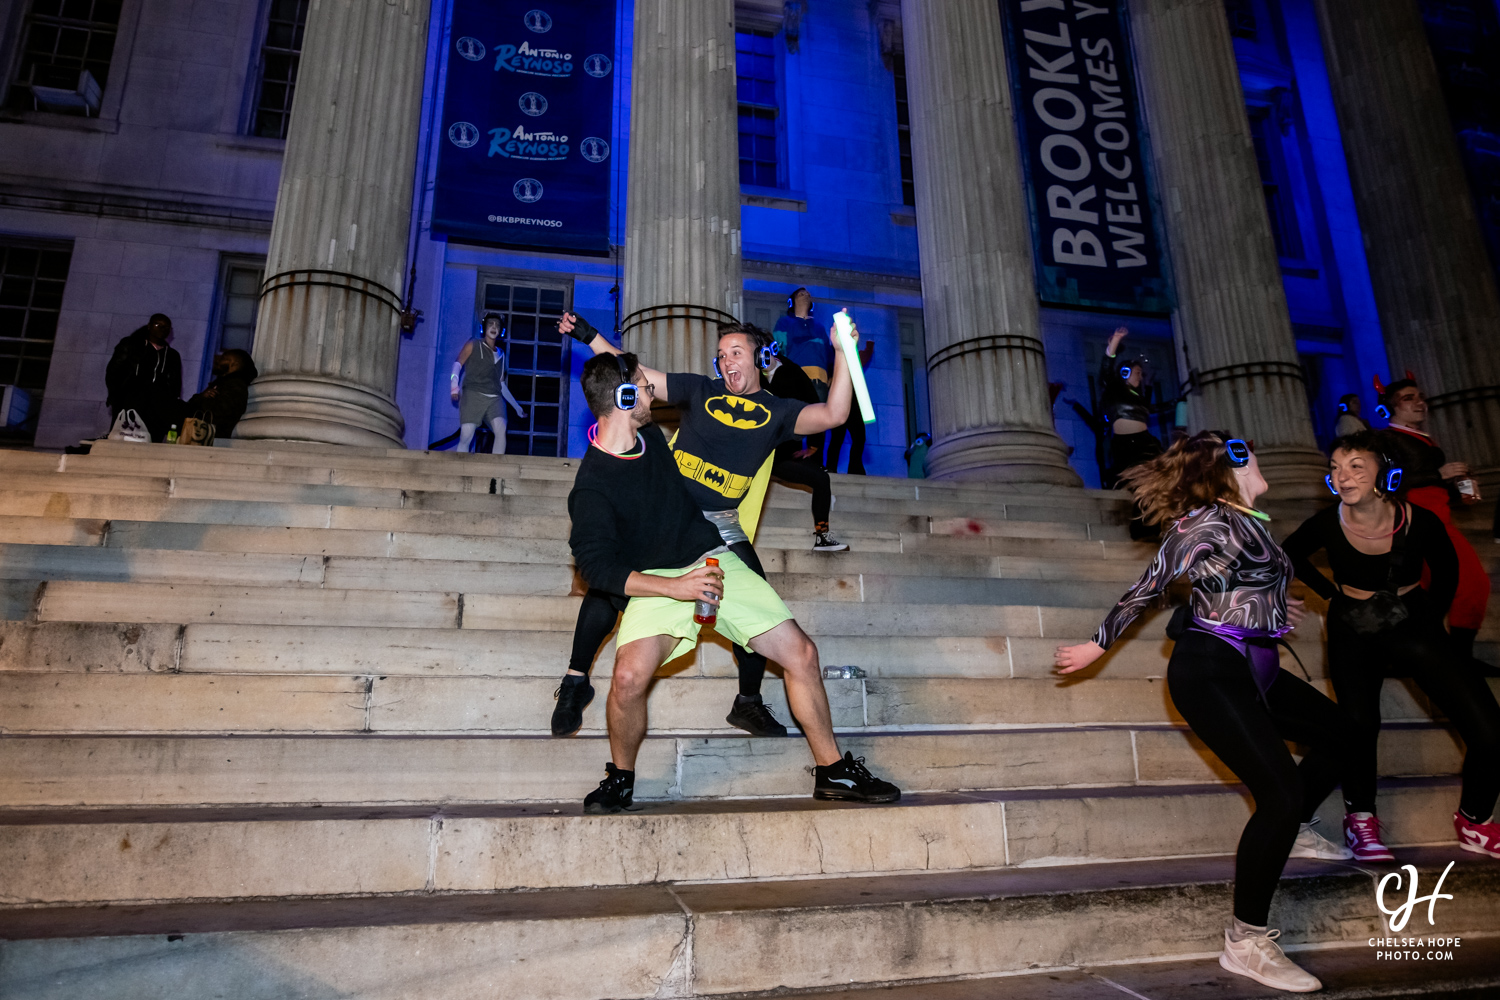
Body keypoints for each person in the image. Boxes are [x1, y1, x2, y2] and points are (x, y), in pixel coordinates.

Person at [1055, 432, 1363, 994]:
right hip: (1209, 671)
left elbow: (1236, 581)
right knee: (1279, 793)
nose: (1258, 456)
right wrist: (1096, 646)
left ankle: (1294, 826)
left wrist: (1275, 607)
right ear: (1228, 469)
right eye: (1246, 453)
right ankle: (1246, 942)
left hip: (1254, 665)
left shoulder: (1248, 520)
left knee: (1346, 733)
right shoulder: (1205, 522)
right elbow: (1149, 585)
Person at [567, 350, 900, 812]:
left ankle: (833, 772)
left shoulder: (652, 438)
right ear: (624, 398)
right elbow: (595, 569)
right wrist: (675, 588)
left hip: (712, 559)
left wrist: (840, 354)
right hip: (659, 582)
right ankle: (620, 778)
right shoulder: (592, 485)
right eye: (643, 388)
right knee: (626, 676)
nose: (651, 393)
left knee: (801, 653)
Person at [550, 311, 861, 738]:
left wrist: (843, 353)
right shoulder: (699, 390)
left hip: (720, 526)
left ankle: (748, 703)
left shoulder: (778, 411)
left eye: (736, 352)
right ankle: (575, 679)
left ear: (760, 359)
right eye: (721, 354)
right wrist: (588, 334)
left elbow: (835, 413)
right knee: (608, 585)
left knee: (757, 603)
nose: (727, 360)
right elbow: (632, 375)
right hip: (666, 510)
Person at [1283, 431, 1500, 861]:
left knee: (1491, 729)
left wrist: (1428, 617)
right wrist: (1328, 594)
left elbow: (1448, 572)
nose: (1342, 477)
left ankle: (1474, 820)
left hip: (1413, 622)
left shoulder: (1421, 521)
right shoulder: (1327, 522)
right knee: (1359, 727)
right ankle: (1360, 818)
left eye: (1355, 467)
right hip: (1352, 628)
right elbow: (1288, 554)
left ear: (1387, 473)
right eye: (1335, 468)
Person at [1376, 376, 1492, 674]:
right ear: (1390, 407)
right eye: (1409, 398)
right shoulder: (1386, 439)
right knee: (1469, 583)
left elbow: (1430, 483)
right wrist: (1439, 475)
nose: (1419, 402)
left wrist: (1459, 492)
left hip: (1437, 519)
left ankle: (1450, 656)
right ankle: (1454, 658)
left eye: (1421, 396)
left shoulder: (1423, 438)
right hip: (1415, 522)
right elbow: (1386, 482)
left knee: (1442, 591)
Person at [751, 324, 847, 552]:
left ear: (771, 349)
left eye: (760, 351)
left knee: (821, 479)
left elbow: (816, 406)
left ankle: (822, 536)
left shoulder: (792, 372)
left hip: (783, 454)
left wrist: (813, 445)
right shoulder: (751, 377)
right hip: (757, 453)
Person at [451, 312, 525, 454]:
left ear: (501, 331)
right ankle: (460, 464)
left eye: (497, 325)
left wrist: (517, 407)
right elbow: (458, 364)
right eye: (490, 324)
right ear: (484, 327)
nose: (494, 327)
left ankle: (496, 465)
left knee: (501, 429)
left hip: (494, 398)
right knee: (467, 434)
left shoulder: (501, 354)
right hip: (473, 394)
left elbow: (501, 384)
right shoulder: (474, 344)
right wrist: (454, 387)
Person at [774, 286, 833, 461]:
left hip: (819, 379)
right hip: (795, 380)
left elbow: (829, 355)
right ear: (792, 301)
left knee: (820, 419)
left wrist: (831, 376)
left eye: (807, 294)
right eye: (801, 294)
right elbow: (779, 351)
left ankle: (816, 460)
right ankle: (791, 460)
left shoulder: (820, 327)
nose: (805, 295)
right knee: (794, 419)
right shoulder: (784, 323)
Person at [105, 313, 182, 442]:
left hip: (157, 407)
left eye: (166, 327)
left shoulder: (172, 355)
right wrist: (117, 396)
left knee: (151, 441)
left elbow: (175, 383)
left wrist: (170, 404)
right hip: (131, 402)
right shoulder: (131, 345)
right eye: (158, 325)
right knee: (125, 440)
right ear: (149, 326)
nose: (162, 329)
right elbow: (113, 371)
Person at [179, 349, 258, 438]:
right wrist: (201, 397)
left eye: (224, 358)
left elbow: (221, 412)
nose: (217, 359)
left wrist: (203, 400)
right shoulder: (222, 383)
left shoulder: (235, 385)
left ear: (235, 364)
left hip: (210, 435)